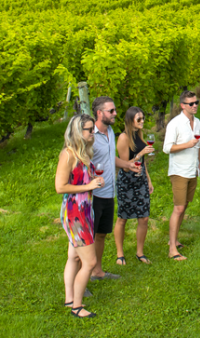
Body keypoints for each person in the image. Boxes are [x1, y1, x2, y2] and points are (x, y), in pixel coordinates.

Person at [55, 114, 104, 319]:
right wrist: (89, 185)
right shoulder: (68, 154)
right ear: (77, 131)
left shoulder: (84, 153)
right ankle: (77, 306)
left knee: (74, 257)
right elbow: (60, 187)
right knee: (90, 262)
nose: (93, 132)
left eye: (93, 129)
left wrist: (92, 179)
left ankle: (69, 299)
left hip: (84, 210)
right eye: (89, 130)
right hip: (75, 214)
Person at [89, 96, 138, 280]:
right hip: (93, 195)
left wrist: (127, 164)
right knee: (87, 239)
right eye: (111, 111)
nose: (115, 113)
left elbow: (110, 159)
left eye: (115, 110)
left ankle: (98, 271)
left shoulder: (110, 132)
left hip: (109, 192)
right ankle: (80, 280)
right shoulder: (90, 135)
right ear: (99, 113)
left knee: (101, 234)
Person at [163, 90, 200, 260]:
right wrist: (187, 145)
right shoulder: (175, 124)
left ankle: (175, 239)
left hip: (192, 169)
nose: (195, 106)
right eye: (191, 104)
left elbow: (198, 143)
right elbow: (167, 148)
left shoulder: (198, 122)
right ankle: (172, 249)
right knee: (178, 208)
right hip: (179, 170)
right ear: (182, 105)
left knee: (185, 205)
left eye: (196, 103)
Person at [113, 107, 156, 265]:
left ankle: (140, 252)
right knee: (123, 218)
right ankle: (120, 254)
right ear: (130, 120)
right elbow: (125, 166)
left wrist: (148, 179)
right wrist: (140, 154)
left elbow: (142, 163)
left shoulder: (139, 135)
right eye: (139, 119)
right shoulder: (123, 138)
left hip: (140, 179)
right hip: (127, 181)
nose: (142, 121)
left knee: (144, 217)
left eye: (143, 118)